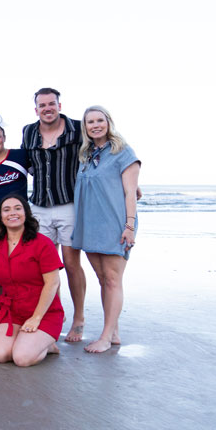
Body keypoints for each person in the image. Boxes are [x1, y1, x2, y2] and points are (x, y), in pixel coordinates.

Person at [72, 106, 141, 353]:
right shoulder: (86, 154)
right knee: (103, 280)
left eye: (100, 120)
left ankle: (105, 336)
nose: (95, 125)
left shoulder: (123, 152)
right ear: (85, 127)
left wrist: (129, 226)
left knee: (112, 280)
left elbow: (131, 192)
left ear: (108, 122)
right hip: (90, 224)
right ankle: (113, 331)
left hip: (115, 223)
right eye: (90, 122)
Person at [20, 88, 87, 342]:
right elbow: (22, 161)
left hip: (68, 204)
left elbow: (104, 151)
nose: (47, 108)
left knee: (70, 264)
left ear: (59, 104)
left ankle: (79, 318)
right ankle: (51, 319)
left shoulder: (78, 129)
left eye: (51, 104)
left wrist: (129, 179)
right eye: (42, 105)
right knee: (44, 269)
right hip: (38, 207)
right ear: (35, 108)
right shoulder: (29, 131)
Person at [0, 195, 64, 367]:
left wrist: (36, 318)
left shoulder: (43, 243)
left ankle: (48, 345)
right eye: (6, 210)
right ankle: (30, 342)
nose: (12, 213)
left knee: (22, 358)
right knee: (0, 355)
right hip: (12, 312)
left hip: (42, 312)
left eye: (17, 208)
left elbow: (52, 283)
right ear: (0, 216)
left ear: (26, 213)